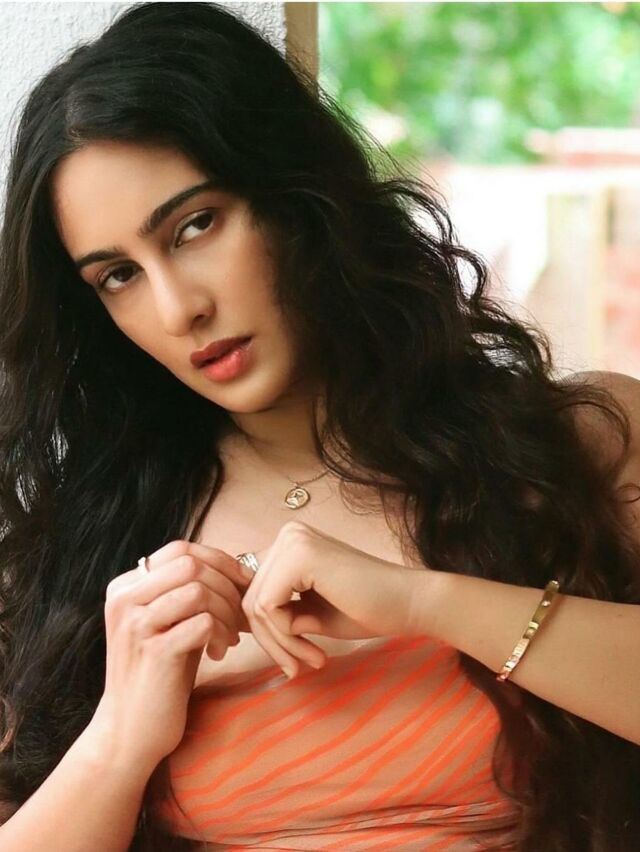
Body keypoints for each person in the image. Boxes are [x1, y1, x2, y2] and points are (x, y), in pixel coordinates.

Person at [0, 2, 638, 850]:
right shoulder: (84, 551)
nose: (178, 308)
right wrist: (118, 739)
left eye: (196, 226)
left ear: (295, 196)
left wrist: (425, 602)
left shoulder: (574, 444)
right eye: (118, 275)